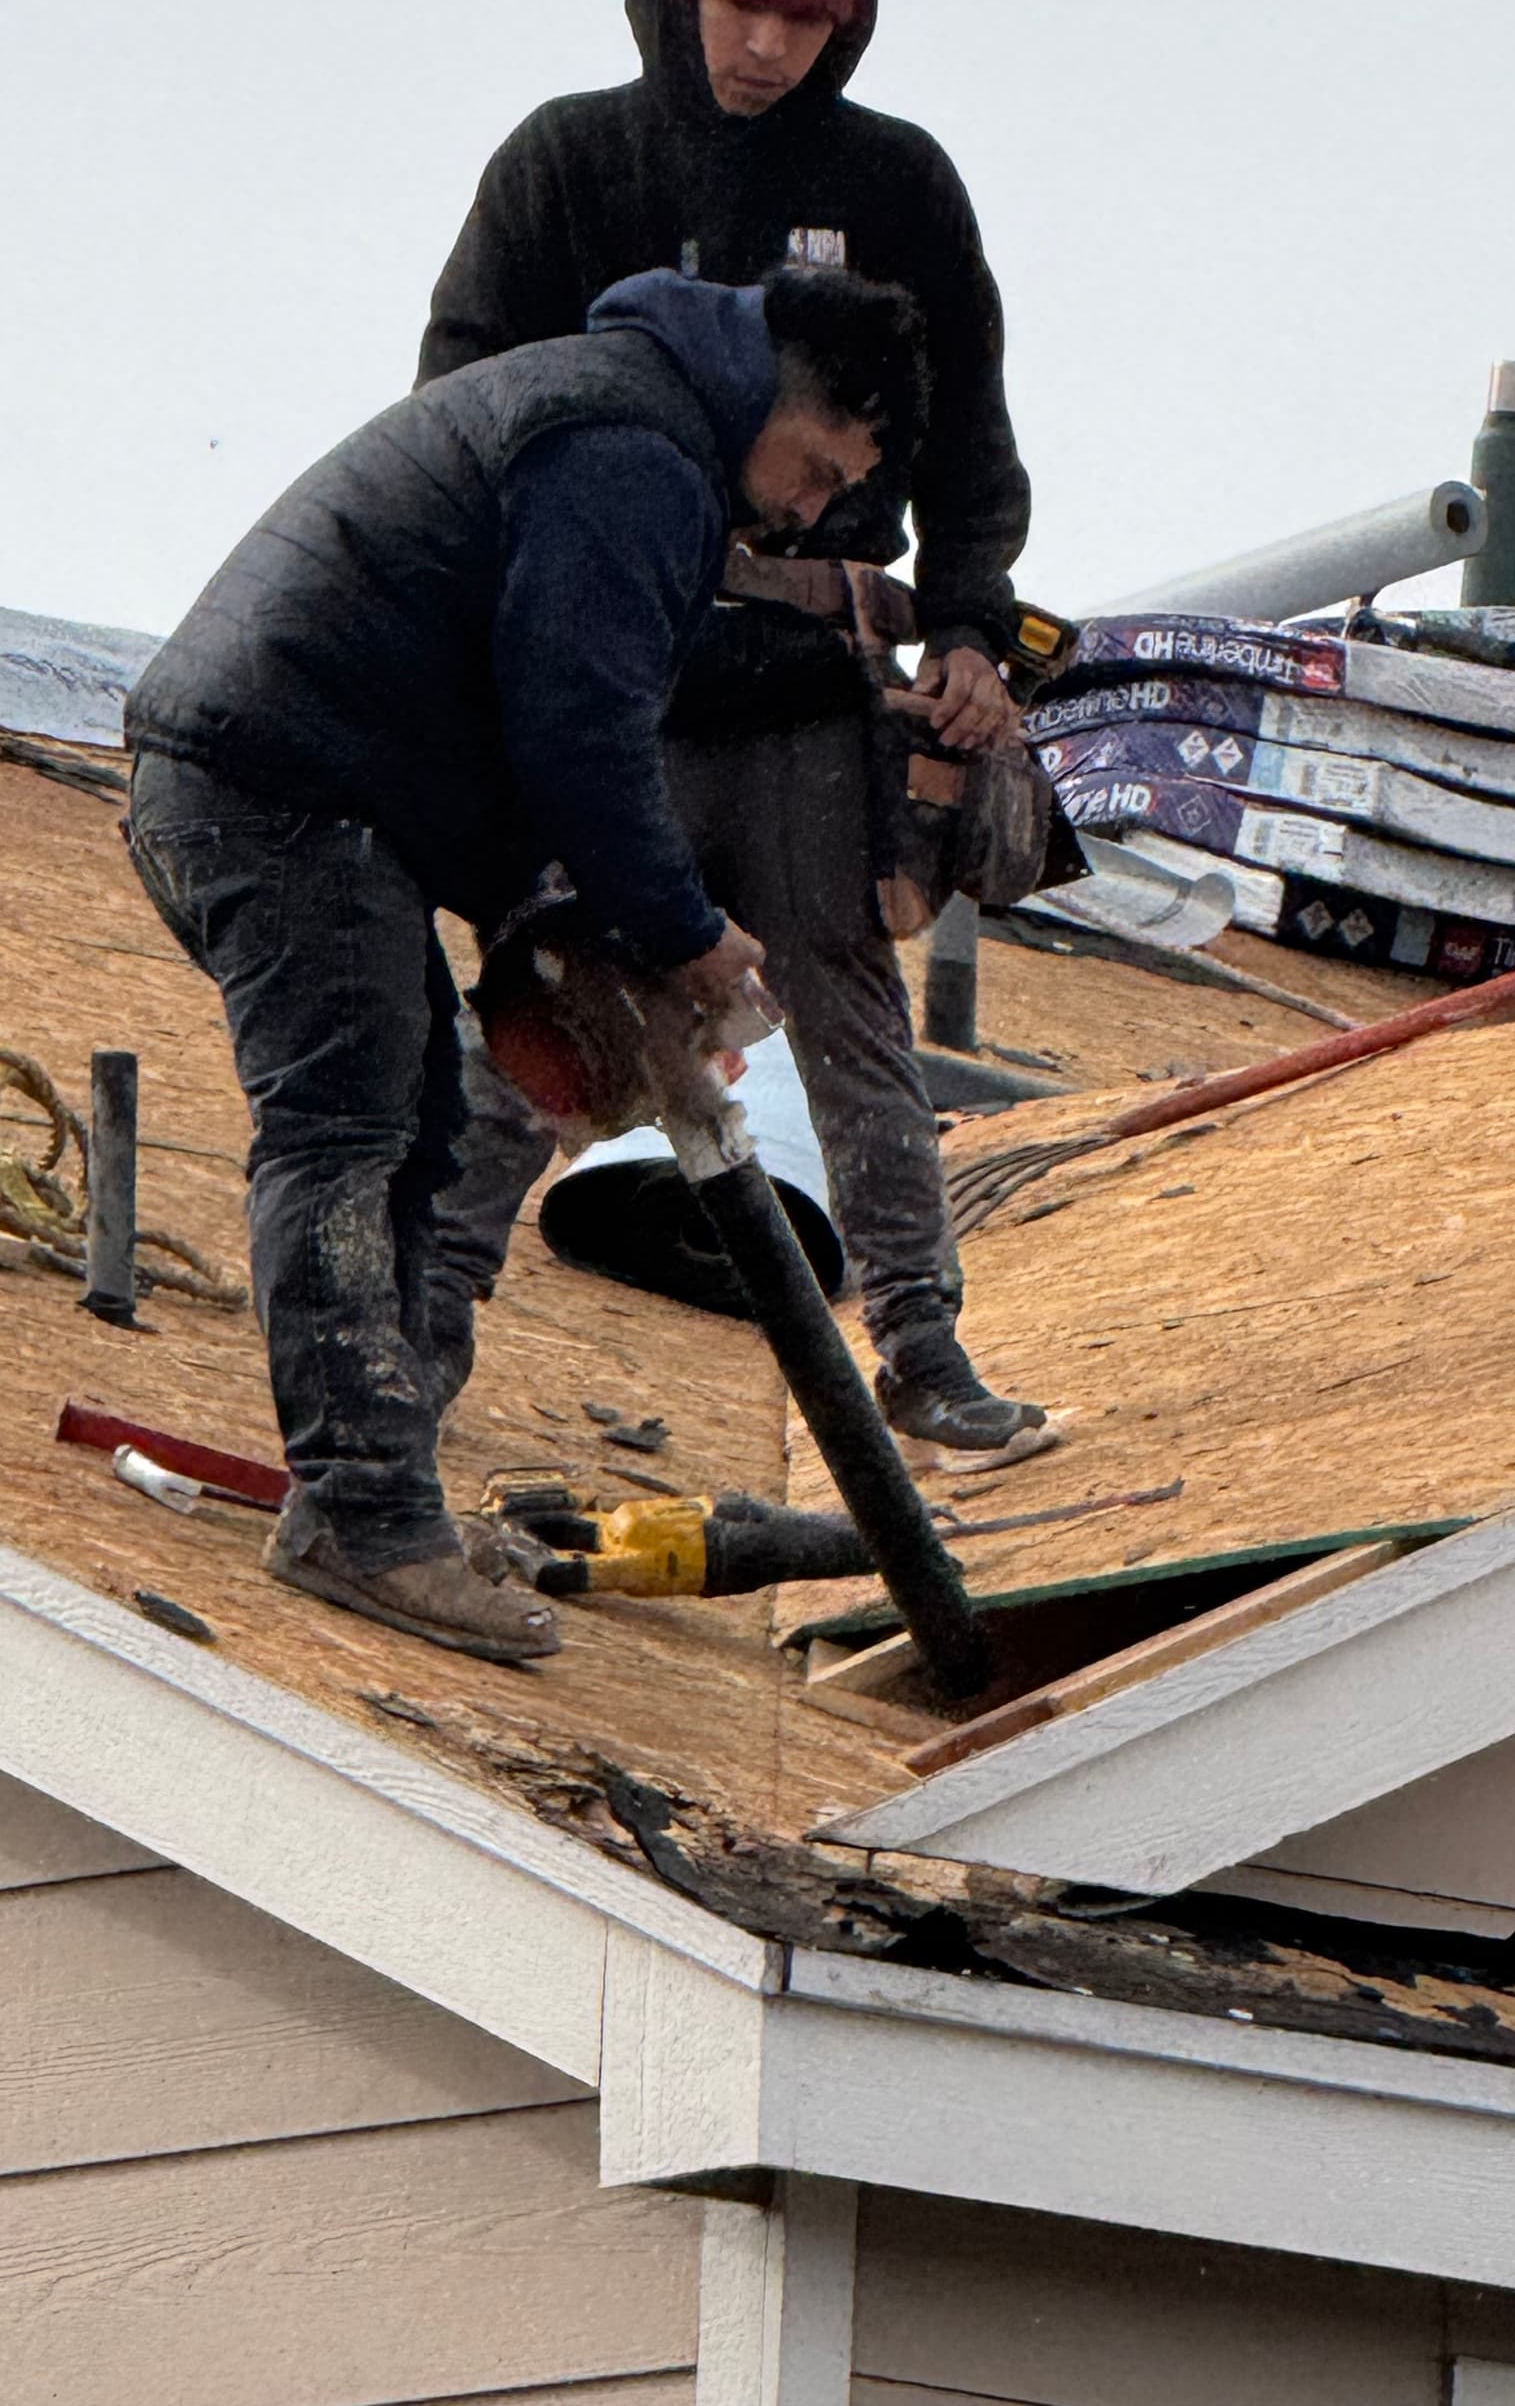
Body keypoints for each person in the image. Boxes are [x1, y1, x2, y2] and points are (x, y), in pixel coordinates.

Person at [124, 264, 924, 1662]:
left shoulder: (631, 427)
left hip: (296, 789)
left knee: (420, 1133)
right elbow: (579, 732)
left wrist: (559, 922)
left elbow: (539, 710)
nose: (806, 511)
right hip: (279, 794)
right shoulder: (632, 450)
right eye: (815, 470)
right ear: (779, 400)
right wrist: (679, 931)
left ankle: (387, 1502)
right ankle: (362, 1524)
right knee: (351, 1130)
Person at [418, 0, 1046, 1453]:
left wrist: (973, 619)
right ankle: (416, 1342)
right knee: (551, 1006)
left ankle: (924, 1351)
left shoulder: (900, 188)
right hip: (611, 673)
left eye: (804, 18)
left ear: (848, 23)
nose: (767, 46)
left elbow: (966, 439)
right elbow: (462, 406)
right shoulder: (570, 163)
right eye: (739, 3)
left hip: (806, 686)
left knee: (849, 1016)